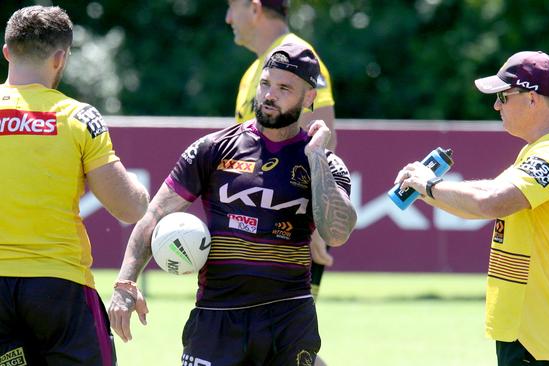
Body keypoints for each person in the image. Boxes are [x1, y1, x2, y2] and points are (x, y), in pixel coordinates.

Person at [108, 43, 357, 366]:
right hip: (217, 317)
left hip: (289, 319)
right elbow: (155, 214)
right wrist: (126, 283)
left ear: (309, 98)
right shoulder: (212, 149)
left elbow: (337, 232)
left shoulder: (323, 161)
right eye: (266, 83)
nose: (269, 95)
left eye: (284, 88)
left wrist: (317, 158)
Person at [395, 51, 549, 365]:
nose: (496, 105)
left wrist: (429, 186)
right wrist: (426, 189)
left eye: (503, 96)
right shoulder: (545, 149)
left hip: (542, 336)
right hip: (532, 332)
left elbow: (490, 201)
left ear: (532, 99)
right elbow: (486, 193)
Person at [0, 6, 150, 366]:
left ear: (6, 51)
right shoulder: (80, 118)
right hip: (59, 290)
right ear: (60, 58)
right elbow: (129, 208)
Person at [226, 0, 337, 303]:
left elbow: (322, 139)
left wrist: (312, 225)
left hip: (291, 229)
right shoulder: (254, 71)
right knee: (274, 347)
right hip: (255, 229)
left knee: (285, 344)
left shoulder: (297, 56)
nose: (227, 18)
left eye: (231, 7)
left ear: (254, 8)